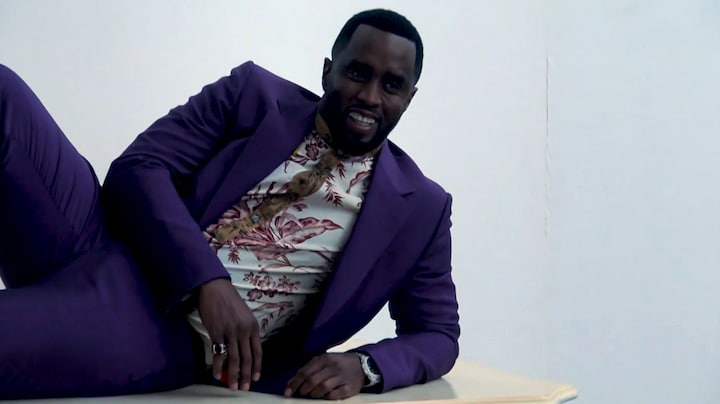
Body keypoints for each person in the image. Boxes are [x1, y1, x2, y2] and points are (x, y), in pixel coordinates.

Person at [0, 8, 460, 400]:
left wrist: (363, 367)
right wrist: (205, 278)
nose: (370, 97)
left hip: (155, 324)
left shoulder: (422, 208)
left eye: (392, 85)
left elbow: (437, 333)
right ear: (328, 72)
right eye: (357, 73)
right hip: (97, 233)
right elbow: (140, 167)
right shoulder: (253, 94)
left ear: (409, 97)